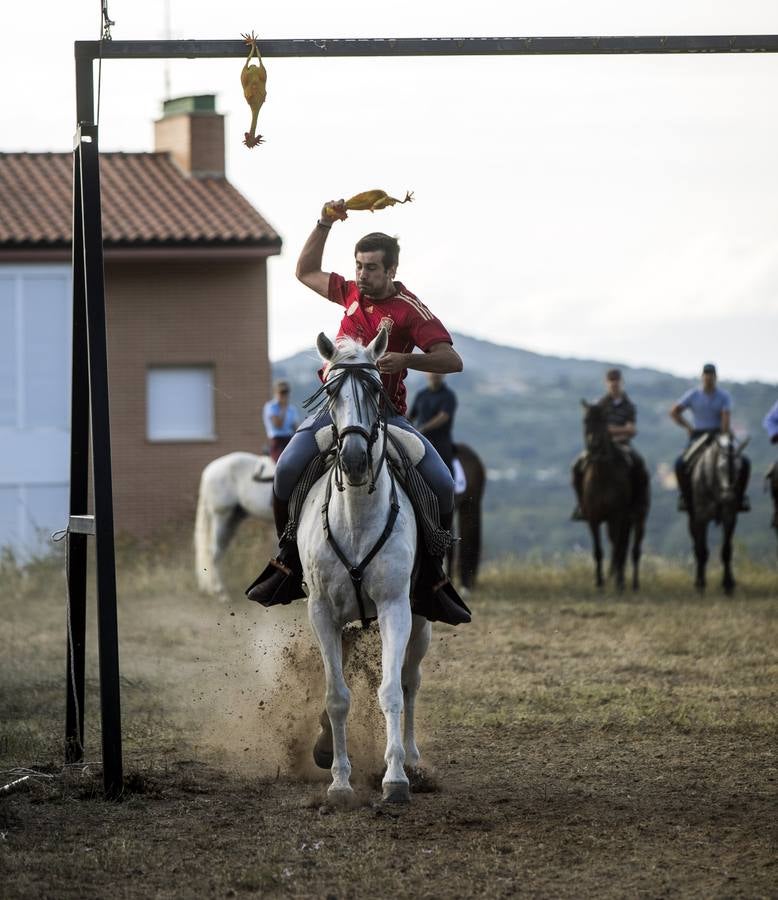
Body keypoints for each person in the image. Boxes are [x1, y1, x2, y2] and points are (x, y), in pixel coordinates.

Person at [245, 198, 469, 625]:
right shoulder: (348, 292)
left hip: (387, 418)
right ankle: (288, 561)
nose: (361, 274)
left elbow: (451, 359)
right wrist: (324, 222)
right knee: (288, 468)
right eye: (359, 265)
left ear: (391, 272)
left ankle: (433, 579)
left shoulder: (409, 310)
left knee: (440, 483)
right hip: (333, 413)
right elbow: (305, 271)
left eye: (370, 268)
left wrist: (407, 361)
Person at [670, 363, 750, 511]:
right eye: (706, 376)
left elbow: (725, 417)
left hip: (719, 434)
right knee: (680, 464)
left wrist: (724, 435)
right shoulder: (693, 395)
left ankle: (740, 498)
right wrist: (688, 427)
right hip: (698, 435)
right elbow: (674, 412)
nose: (709, 379)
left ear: (715, 378)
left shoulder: (723, 396)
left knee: (743, 462)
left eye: (711, 376)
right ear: (702, 377)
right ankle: (686, 497)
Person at [571, 367, 649, 520]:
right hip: (600, 447)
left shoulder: (629, 406)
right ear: (606, 383)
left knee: (639, 464)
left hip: (623, 445)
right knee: (576, 467)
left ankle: (638, 503)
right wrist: (620, 429)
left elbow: (632, 431)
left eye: (617, 381)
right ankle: (582, 504)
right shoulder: (599, 405)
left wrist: (609, 430)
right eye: (611, 381)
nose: (614, 384)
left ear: (622, 383)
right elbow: (594, 428)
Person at [408, 373, 457, 476]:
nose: (435, 374)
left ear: (443, 374)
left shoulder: (449, 396)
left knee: (446, 472)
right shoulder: (421, 395)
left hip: (440, 442)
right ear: (426, 374)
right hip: (420, 438)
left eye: (438, 371)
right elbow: (411, 416)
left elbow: (443, 416)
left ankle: (450, 488)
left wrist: (423, 428)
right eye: (431, 371)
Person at [262, 380, 300, 462]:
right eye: (281, 392)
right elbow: (278, 424)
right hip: (277, 441)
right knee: (281, 462)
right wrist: (283, 408)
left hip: (289, 439)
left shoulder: (291, 409)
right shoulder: (271, 407)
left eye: (286, 392)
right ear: (275, 393)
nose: (284, 395)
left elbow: (295, 427)